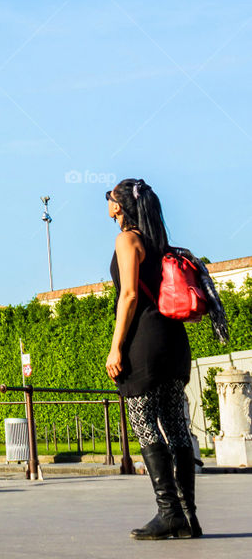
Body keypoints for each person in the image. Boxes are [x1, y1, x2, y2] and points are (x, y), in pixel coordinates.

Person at [106, 178, 198, 540]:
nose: (108, 202)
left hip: (144, 344)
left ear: (120, 206)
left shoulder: (127, 239)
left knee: (144, 423)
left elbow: (128, 296)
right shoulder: (161, 243)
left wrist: (116, 347)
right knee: (176, 426)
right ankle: (188, 516)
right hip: (174, 343)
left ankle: (168, 512)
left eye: (110, 196)